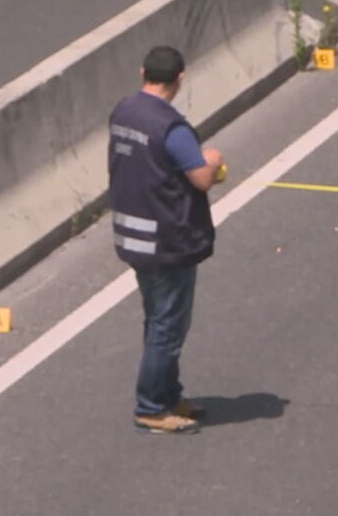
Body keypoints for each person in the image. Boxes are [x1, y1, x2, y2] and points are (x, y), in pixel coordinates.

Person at [108, 46, 225, 435]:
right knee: (168, 326)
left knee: (159, 319)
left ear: (143, 72)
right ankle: (152, 407)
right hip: (168, 241)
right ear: (180, 78)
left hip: (133, 235)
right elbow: (201, 179)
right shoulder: (172, 128)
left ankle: (169, 394)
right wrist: (212, 159)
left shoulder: (124, 112)